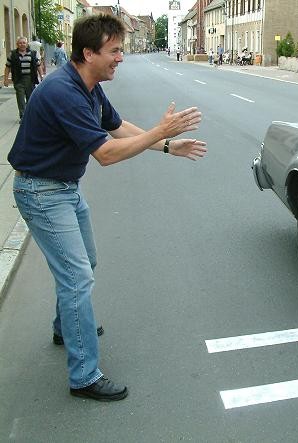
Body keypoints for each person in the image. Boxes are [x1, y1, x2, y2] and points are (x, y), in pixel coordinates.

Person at [8, 14, 207, 402]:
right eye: (114, 51)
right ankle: (84, 376)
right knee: (78, 276)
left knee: (85, 264)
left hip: (61, 187)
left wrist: (166, 145)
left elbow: (116, 127)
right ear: (88, 53)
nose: (120, 58)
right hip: (41, 191)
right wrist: (160, 132)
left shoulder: (88, 85)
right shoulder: (63, 91)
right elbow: (106, 154)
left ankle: (66, 327)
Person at [4, 36, 44, 121]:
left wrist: (42, 76)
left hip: (30, 79)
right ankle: (23, 116)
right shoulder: (13, 54)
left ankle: (30, 115)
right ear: (17, 44)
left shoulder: (32, 53)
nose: (22, 44)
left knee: (30, 98)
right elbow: (7, 67)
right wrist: (6, 79)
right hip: (18, 79)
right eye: (20, 43)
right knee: (20, 98)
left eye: (24, 43)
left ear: (27, 44)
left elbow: (38, 65)